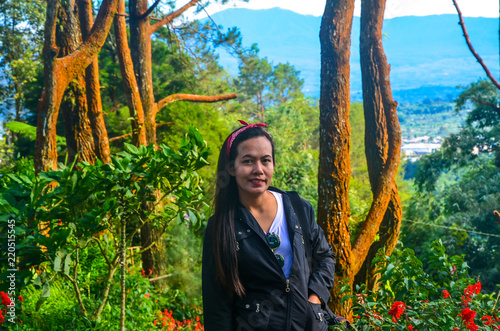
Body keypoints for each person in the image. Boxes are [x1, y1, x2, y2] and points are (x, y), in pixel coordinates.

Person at [202, 120, 336, 331]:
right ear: (230, 168)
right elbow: (217, 305)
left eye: (266, 160)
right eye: (248, 161)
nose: (258, 170)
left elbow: (325, 257)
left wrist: (314, 299)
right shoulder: (221, 226)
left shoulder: (298, 208)